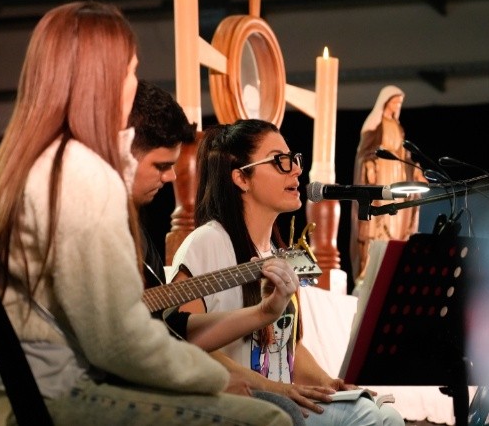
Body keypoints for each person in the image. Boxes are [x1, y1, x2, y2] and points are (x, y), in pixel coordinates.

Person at [0, 1, 297, 425]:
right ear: (103, 80)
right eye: (131, 71)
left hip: (0, 397)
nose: (134, 85)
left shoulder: (15, 169)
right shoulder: (83, 173)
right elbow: (117, 343)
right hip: (47, 402)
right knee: (268, 419)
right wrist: (214, 377)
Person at [170, 119, 406, 426]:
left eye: (294, 159)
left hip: (282, 397)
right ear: (242, 178)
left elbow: (289, 344)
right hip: (241, 403)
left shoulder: (280, 252)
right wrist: (273, 388)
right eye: (280, 161)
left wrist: (328, 382)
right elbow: (182, 341)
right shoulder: (207, 242)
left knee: (387, 414)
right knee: (362, 417)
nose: (296, 169)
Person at [127, 79, 306, 425]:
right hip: (120, 386)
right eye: (162, 166)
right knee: (282, 415)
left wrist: (266, 311)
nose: (168, 180)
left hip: (152, 377)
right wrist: (214, 379)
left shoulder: (136, 236)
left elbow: (174, 328)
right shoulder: (206, 241)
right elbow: (158, 340)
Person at [349, 85, 424, 289]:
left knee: (396, 223)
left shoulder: (398, 127)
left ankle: (390, 266)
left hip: (397, 175)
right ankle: (371, 268)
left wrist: (415, 170)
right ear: (386, 102)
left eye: (400, 103)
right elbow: (364, 151)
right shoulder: (376, 125)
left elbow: (405, 155)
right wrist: (370, 164)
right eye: (395, 101)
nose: (397, 106)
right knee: (377, 222)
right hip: (381, 175)